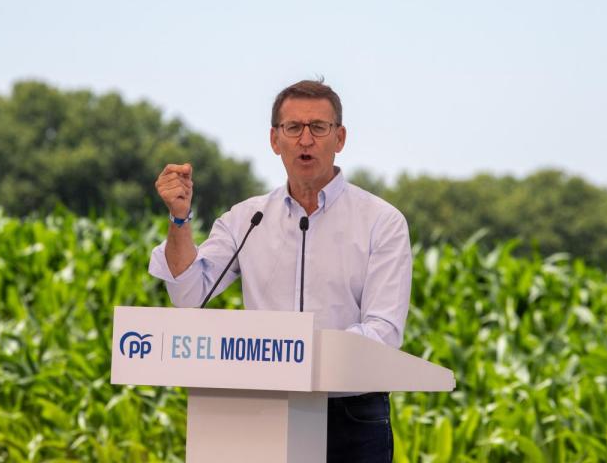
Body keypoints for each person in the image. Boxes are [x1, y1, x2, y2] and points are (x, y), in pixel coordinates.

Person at [149, 79, 412, 462]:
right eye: (293, 128)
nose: (305, 140)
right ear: (275, 140)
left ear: (339, 138)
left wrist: (304, 356)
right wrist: (180, 219)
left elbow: (384, 331)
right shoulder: (247, 219)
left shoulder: (381, 221)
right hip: (263, 409)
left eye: (318, 127)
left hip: (351, 415)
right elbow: (189, 294)